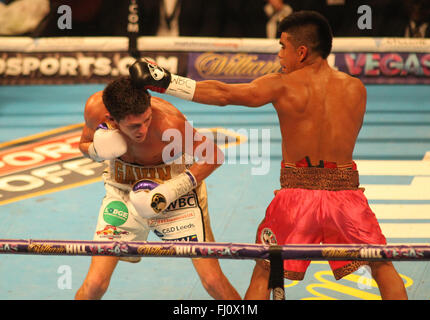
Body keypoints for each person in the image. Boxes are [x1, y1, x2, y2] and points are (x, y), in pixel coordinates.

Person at [128, 11, 408, 300]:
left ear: (302, 52)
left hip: (296, 196)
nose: (279, 56)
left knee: (265, 268)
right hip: (346, 194)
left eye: (283, 47)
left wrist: (166, 82)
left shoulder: (282, 85)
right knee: (382, 264)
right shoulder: (356, 89)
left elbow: (223, 94)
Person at [75, 76, 241, 300]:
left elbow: (213, 155)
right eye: (134, 126)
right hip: (122, 192)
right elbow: (83, 143)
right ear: (111, 119)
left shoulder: (169, 123)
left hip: (176, 193)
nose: (143, 129)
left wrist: (172, 190)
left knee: (212, 280)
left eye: (146, 119)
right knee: (95, 284)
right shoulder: (95, 109)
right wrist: (96, 150)